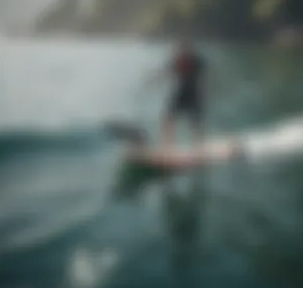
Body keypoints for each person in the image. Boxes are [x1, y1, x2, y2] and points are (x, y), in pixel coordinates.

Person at [105, 122, 246, 199]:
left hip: (183, 161)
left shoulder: (211, 159)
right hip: (181, 158)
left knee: (196, 156)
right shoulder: (209, 156)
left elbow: (186, 162)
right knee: (193, 155)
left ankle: (231, 149)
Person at [148, 38, 208, 147]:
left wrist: (207, 90)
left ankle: (198, 146)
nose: (182, 51)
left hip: (194, 94)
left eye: (184, 49)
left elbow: (206, 75)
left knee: (195, 122)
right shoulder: (177, 60)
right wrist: (152, 80)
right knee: (168, 117)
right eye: (181, 49)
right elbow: (164, 72)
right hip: (181, 93)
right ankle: (167, 145)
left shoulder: (196, 61)